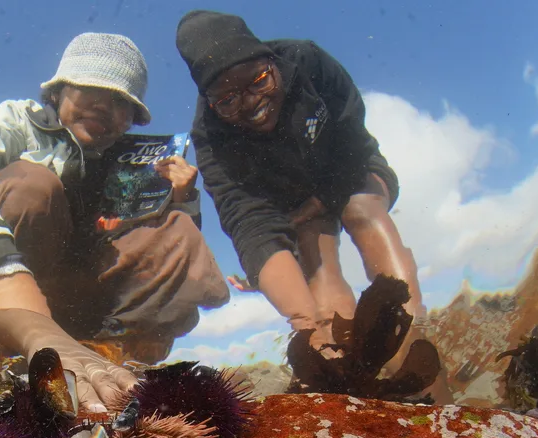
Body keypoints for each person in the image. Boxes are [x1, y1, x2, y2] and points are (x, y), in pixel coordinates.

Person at [0, 33, 230, 414]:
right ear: (57, 92)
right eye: (91, 88)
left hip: (64, 299)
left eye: (122, 102)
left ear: (131, 119)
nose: (105, 107)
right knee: (30, 186)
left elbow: (165, 262)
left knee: (177, 232)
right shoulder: (15, 122)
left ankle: (109, 367)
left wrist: (183, 199)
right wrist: (18, 309)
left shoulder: (133, 168)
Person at [175, 11, 425, 367]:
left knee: (361, 210)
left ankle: (414, 338)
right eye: (228, 101)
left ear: (272, 62)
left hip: (354, 172)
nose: (252, 104)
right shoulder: (211, 136)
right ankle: (346, 369)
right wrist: (306, 325)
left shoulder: (307, 60)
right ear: (213, 102)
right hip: (298, 207)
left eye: (259, 81)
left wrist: (325, 197)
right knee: (313, 250)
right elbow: (247, 221)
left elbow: (351, 136)